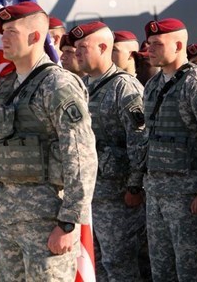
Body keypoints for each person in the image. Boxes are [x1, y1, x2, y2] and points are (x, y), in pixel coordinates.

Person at [0, 2, 97, 280]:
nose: (2, 38)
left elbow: (81, 156)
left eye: (11, 32)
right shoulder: (5, 87)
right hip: (6, 222)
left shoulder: (57, 85)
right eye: (2, 31)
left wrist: (68, 222)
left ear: (34, 37)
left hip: (47, 224)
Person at [141, 18, 197, 282]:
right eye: (149, 44)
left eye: (157, 44)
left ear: (179, 45)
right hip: (156, 195)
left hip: (188, 199)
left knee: (193, 272)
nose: (150, 49)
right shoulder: (154, 86)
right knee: (162, 272)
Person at [69, 22, 149, 281]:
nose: (77, 53)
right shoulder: (80, 86)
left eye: (83, 47)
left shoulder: (124, 87)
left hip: (117, 196)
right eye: (76, 48)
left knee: (119, 265)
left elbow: (139, 140)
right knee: (95, 265)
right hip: (89, 195)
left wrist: (134, 186)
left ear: (104, 47)